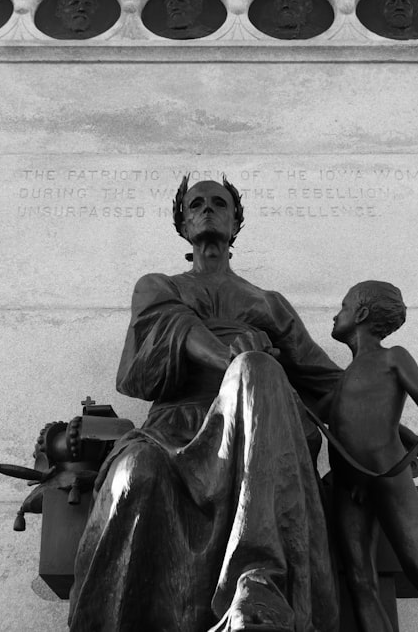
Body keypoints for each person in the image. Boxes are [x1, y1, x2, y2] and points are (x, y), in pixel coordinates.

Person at [68, 177, 342, 632]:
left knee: (257, 370)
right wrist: (229, 356)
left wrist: (397, 425)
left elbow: (326, 382)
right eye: (197, 204)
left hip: (259, 432)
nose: (208, 210)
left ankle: (258, 584)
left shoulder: (269, 304)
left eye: (220, 204)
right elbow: (153, 347)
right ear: (182, 221)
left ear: (236, 222)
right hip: (172, 431)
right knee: (135, 472)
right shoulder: (158, 286)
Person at [327, 281, 418, 632]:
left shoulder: (393, 357)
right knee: (360, 581)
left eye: (343, 307)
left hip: (388, 474)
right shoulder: (339, 382)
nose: (335, 313)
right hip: (350, 486)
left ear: (360, 314)